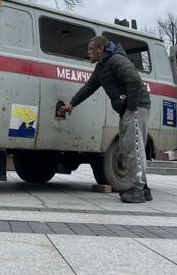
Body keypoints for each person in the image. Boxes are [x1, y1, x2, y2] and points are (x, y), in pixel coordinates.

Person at [61, 35, 152, 204]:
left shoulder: (116, 60)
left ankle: (138, 190)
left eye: (90, 50)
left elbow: (133, 79)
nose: (88, 53)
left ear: (100, 49)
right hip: (129, 109)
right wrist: (72, 104)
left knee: (133, 147)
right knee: (127, 148)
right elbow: (89, 87)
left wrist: (131, 107)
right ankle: (144, 188)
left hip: (136, 108)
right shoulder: (102, 66)